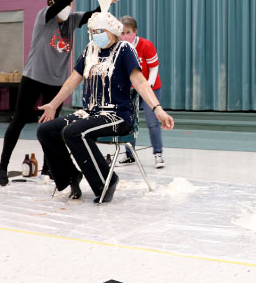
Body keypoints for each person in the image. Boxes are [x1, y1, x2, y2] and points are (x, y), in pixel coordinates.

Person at [35, 12, 174, 203]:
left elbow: (141, 83)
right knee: (46, 130)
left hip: (117, 116)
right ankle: (70, 176)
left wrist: (157, 108)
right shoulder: (90, 50)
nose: (96, 34)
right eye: (93, 31)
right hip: (90, 112)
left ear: (112, 31)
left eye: (100, 30)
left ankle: (105, 182)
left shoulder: (124, 50)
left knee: (74, 132)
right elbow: (71, 81)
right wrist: (53, 104)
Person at [0, 0, 99, 186]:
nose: (67, 8)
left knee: (50, 127)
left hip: (56, 82)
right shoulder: (44, 16)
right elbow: (60, 4)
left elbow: (93, 16)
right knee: (19, 120)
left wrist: (105, 2)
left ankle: (48, 168)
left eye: (69, 5)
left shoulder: (72, 20)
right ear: (52, 5)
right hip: (33, 77)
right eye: (63, 4)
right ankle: (2, 167)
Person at [118, 15, 165, 168]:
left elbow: (153, 68)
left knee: (152, 121)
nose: (125, 36)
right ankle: (129, 154)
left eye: (128, 32)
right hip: (130, 89)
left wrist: (148, 86)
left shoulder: (146, 45)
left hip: (150, 86)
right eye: (122, 33)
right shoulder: (119, 47)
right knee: (128, 121)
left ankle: (158, 153)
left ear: (135, 32)